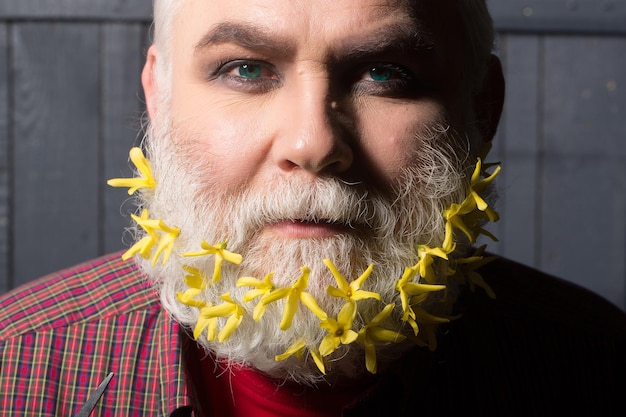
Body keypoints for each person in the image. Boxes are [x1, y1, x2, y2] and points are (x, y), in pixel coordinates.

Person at [1, 0, 625, 415]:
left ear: (481, 110)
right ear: (157, 100)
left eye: (385, 73)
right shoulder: (16, 372)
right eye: (245, 69)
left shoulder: (594, 365)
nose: (314, 143)